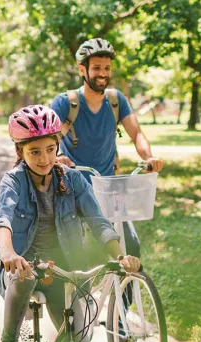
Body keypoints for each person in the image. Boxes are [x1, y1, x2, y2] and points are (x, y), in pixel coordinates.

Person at [0, 105, 141, 342]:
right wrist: (8, 253)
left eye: (50, 149)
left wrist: (120, 256)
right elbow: (2, 221)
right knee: (24, 274)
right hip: (24, 264)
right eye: (34, 152)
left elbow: (99, 222)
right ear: (20, 153)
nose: (44, 158)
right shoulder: (13, 182)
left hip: (61, 269)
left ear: (58, 147)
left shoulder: (73, 180)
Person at [50, 37, 163, 260]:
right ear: (83, 70)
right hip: (74, 188)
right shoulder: (67, 103)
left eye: (107, 68)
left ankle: (127, 294)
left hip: (109, 187)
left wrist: (149, 157)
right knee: (77, 255)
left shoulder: (116, 100)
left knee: (130, 247)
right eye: (97, 68)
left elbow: (136, 133)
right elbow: (51, 141)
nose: (103, 73)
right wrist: (60, 156)